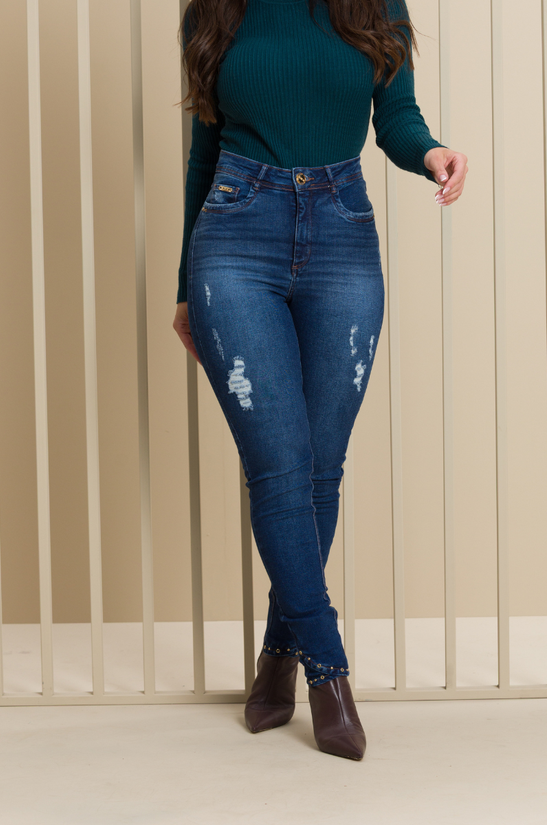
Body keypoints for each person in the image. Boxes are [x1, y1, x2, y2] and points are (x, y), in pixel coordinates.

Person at [172, 0, 468, 761]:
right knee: (279, 468)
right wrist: (184, 289)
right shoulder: (213, 8)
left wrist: (432, 152)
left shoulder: (376, 5)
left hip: (342, 232)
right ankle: (328, 674)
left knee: (319, 470)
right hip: (235, 234)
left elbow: (394, 117)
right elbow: (203, 151)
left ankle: (279, 653)